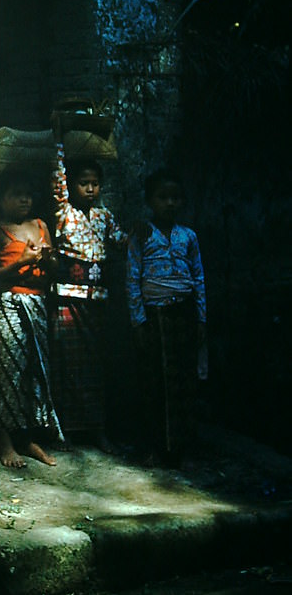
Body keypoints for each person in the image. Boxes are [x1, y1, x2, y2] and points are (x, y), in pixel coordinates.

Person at [126, 168, 207, 466]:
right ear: (150, 201)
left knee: (185, 380)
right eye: (163, 197)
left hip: (184, 312)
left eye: (175, 198)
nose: (170, 203)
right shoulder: (142, 234)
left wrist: (201, 319)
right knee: (155, 380)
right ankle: (155, 447)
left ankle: (183, 448)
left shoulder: (189, 236)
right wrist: (138, 321)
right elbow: (132, 278)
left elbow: (198, 278)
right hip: (155, 315)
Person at [0, 171, 63, 468]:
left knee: (34, 368)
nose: (24, 200)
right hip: (10, 303)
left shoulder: (40, 226)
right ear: (0, 200)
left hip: (38, 303)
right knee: (7, 370)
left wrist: (49, 259)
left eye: (28, 195)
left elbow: (55, 269)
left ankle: (28, 437)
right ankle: (4, 440)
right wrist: (22, 261)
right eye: (16, 195)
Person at [51, 141, 126, 450]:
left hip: (98, 300)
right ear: (71, 186)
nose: (90, 189)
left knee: (96, 365)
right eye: (84, 183)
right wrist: (59, 142)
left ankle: (97, 428)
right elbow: (57, 183)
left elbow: (121, 241)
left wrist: (137, 234)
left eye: (95, 183)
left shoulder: (104, 216)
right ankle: (67, 429)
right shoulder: (64, 212)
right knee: (68, 362)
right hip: (69, 298)